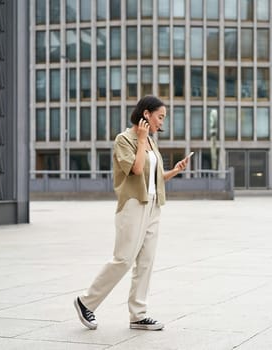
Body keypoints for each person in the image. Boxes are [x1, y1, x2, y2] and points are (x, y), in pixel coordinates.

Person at [73, 95, 190, 331]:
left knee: (146, 262)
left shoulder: (150, 142)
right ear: (146, 114)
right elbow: (136, 170)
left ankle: (138, 314)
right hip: (133, 206)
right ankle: (85, 302)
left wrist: (174, 171)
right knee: (123, 259)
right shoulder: (125, 139)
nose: (162, 123)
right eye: (160, 117)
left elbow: (153, 177)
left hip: (153, 205)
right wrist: (141, 139)